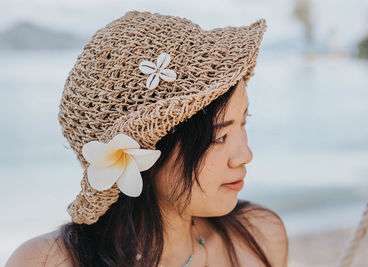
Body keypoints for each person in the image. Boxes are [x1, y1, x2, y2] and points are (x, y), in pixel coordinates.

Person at [5, 9, 288, 267]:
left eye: (243, 122)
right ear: (147, 149)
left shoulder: (258, 239)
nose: (245, 154)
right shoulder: (45, 262)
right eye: (219, 136)